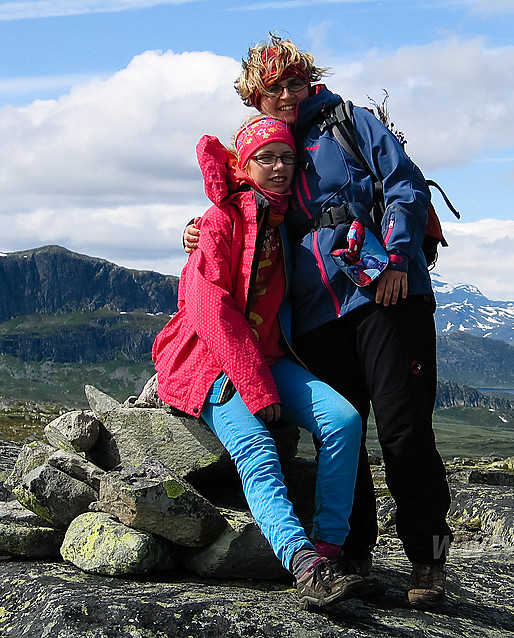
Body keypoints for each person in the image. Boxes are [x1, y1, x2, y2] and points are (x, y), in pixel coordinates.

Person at [185, 35, 453, 609]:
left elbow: (403, 183)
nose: (287, 94)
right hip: (313, 315)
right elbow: (237, 210)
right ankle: (352, 556)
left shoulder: (347, 124)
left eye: (295, 82)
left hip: (384, 290)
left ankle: (427, 562)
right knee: (345, 426)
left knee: (403, 428)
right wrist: (196, 228)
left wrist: (400, 258)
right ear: (255, 96)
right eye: (274, 87)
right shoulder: (264, 148)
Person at [154, 115, 365, 611]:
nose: (278, 168)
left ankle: (329, 552)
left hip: (267, 354)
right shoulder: (220, 221)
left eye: (287, 157)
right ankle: (304, 566)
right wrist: (257, 388)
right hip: (205, 359)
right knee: (256, 447)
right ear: (244, 166)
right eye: (265, 158)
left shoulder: (283, 218)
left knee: (345, 421)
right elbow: (210, 309)